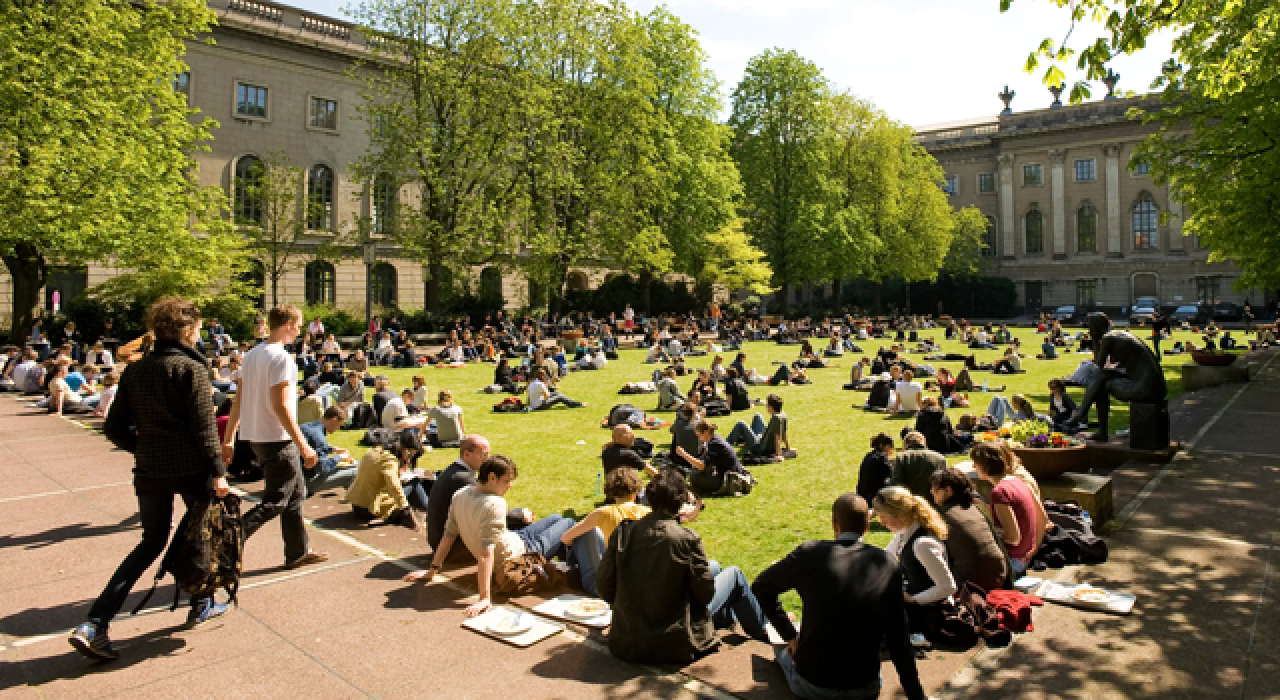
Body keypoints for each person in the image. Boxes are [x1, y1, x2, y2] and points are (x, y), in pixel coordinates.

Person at [70, 298, 231, 661]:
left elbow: (113, 426)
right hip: (192, 469)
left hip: (150, 469)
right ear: (186, 330)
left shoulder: (136, 370)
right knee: (201, 534)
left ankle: (95, 622)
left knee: (150, 542)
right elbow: (206, 431)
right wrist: (219, 472)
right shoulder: (190, 368)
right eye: (198, 327)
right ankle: (201, 600)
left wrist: (143, 449)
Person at [751, 493, 927, 700]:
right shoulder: (887, 564)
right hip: (864, 685)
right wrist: (917, 695)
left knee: (781, 651)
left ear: (835, 524)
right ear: (867, 527)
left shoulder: (809, 554)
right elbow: (899, 638)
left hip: (813, 684)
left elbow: (761, 586)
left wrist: (790, 635)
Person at [596, 469, 770, 664]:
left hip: (627, 639)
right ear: (680, 502)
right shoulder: (687, 539)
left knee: (714, 567)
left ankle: (726, 621)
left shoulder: (623, 533)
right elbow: (705, 595)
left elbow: (604, 586)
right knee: (734, 575)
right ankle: (765, 630)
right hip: (674, 639)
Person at [401, 455, 590, 618]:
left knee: (556, 518)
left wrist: (431, 571)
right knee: (569, 522)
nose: (510, 486)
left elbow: (448, 535)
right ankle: (577, 571)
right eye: (507, 481)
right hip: (519, 555)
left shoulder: (460, 495)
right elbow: (485, 553)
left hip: (513, 538)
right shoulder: (495, 504)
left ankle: (567, 562)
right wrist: (484, 598)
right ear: (492, 477)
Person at [220, 305, 327, 570]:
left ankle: (298, 551)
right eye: (298, 325)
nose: (300, 330)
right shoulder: (281, 359)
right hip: (276, 439)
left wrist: (230, 438)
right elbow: (281, 406)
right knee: (276, 501)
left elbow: (238, 400)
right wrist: (304, 446)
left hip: (257, 436)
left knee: (296, 494)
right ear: (289, 324)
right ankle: (229, 542)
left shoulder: (252, 355)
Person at [874, 486, 957, 638]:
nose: (881, 522)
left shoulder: (922, 544)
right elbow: (885, 557)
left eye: (883, 516)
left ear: (899, 514)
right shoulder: (904, 531)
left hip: (928, 608)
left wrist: (913, 600)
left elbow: (947, 586)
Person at [425, 435, 530, 553]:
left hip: (442, 541)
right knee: (522, 526)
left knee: (516, 517)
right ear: (466, 454)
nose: (488, 459)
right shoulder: (463, 479)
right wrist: (521, 516)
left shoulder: (454, 471)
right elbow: (489, 511)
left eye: (488, 454)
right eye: (483, 455)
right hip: (454, 549)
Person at [558, 468, 651, 596]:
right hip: (636, 584)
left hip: (604, 588)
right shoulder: (648, 513)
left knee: (585, 532)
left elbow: (565, 538)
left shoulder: (602, 513)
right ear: (636, 490)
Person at [970, 442, 1044, 577]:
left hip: (1013, 561)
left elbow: (1012, 537)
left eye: (976, 462)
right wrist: (1034, 548)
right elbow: (1043, 518)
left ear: (986, 465)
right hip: (1025, 557)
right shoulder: (1017, 481)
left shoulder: (999, 492)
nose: (973, 466)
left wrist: (983, 532)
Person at [929, 468, 1009, 592]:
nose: (931, 491)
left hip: (970, 584)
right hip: (999, 575)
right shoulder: (976, 508)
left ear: (948, 490)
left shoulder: (941, 516)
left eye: (935, 487)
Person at [344, 431, 429, 531]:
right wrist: (405, 509)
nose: (409, 459)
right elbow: (394, 485)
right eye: (410, 455)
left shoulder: (374, 451)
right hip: (369, 509)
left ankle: (422, 511)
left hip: (357, 505)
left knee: (408, 483)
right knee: (414, 483)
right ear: (403, 448)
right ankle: (429, 511)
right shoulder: (389, 460)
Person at [677, 420, 753, 496]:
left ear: (706, 432)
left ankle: (701, 488)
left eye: (699, 435)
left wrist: (683, 454)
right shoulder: (715, 439)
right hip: (729, 474)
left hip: (730, 479)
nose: (699, 438)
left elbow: (701, 466)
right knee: (696, 471)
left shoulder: (715, 444)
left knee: (693, 476)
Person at [300, 406, 358, 496]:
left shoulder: (307, 426)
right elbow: (323, 468)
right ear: (334, 420)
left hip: (297, 477)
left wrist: (332, 449)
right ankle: (359, 505)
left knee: (350, 467)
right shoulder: (319, 437)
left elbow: (312, 447)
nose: (338, 429)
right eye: (340, 425)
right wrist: (340, 458)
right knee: (356, 471)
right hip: (307, 482)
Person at [726, 393, 790, 459]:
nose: (766, 407)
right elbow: (784, 433)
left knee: (741, 424)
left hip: (759, 448)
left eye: (767, 405)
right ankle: (746, 442)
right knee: (758, 416)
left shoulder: (776, 419)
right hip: (761, 438)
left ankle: (723, 446)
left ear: (771, 407)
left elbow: (778, 438)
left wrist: (778, 454)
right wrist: (788, 448)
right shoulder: (783, 415)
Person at [891, 430, 946, 500]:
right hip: (932, 503)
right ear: (924, 442)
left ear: (906, 444)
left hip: (909, 503)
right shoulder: (939, 458)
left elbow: (896, 483)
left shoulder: (902, 457)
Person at [857, 432, 895, 508]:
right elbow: (893, 474)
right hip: (872, 496)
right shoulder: (881, 457)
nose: (891, 449)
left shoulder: (870, 455)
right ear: (882, 445)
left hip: (862, 493)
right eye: (889, 446)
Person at [668, 403, 702, 474]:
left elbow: (671, 430)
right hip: (695, 458)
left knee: (675, 435)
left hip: (679, 458)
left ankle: (672, 457)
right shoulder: (699, 424)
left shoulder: (678, 423)